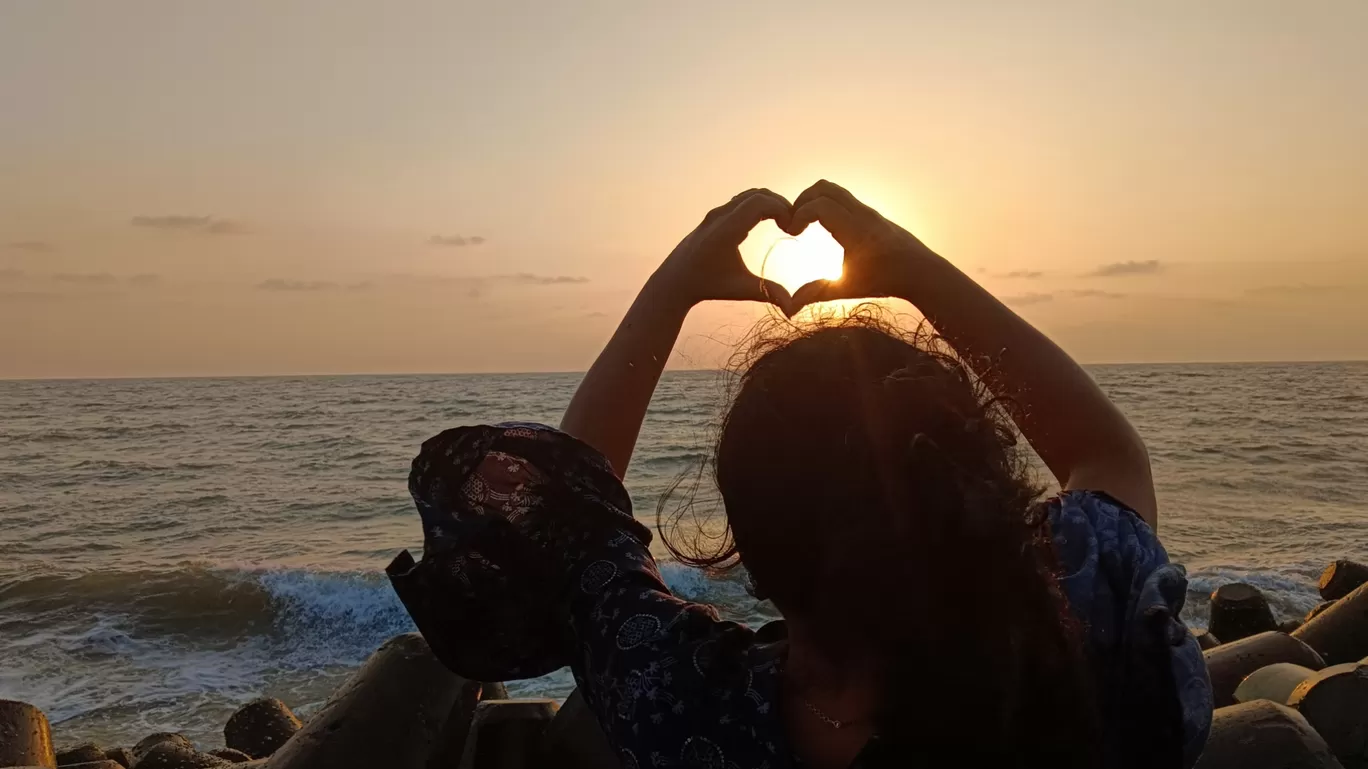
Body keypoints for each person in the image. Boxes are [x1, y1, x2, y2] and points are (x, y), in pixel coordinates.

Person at [387, 181, 1213, 768]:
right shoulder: (1087, 627)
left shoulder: (682, 704)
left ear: (746, 548)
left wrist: (671, 290)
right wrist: (918, 271)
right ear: (983, 489)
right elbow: (1107, 451)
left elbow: (558, 524)